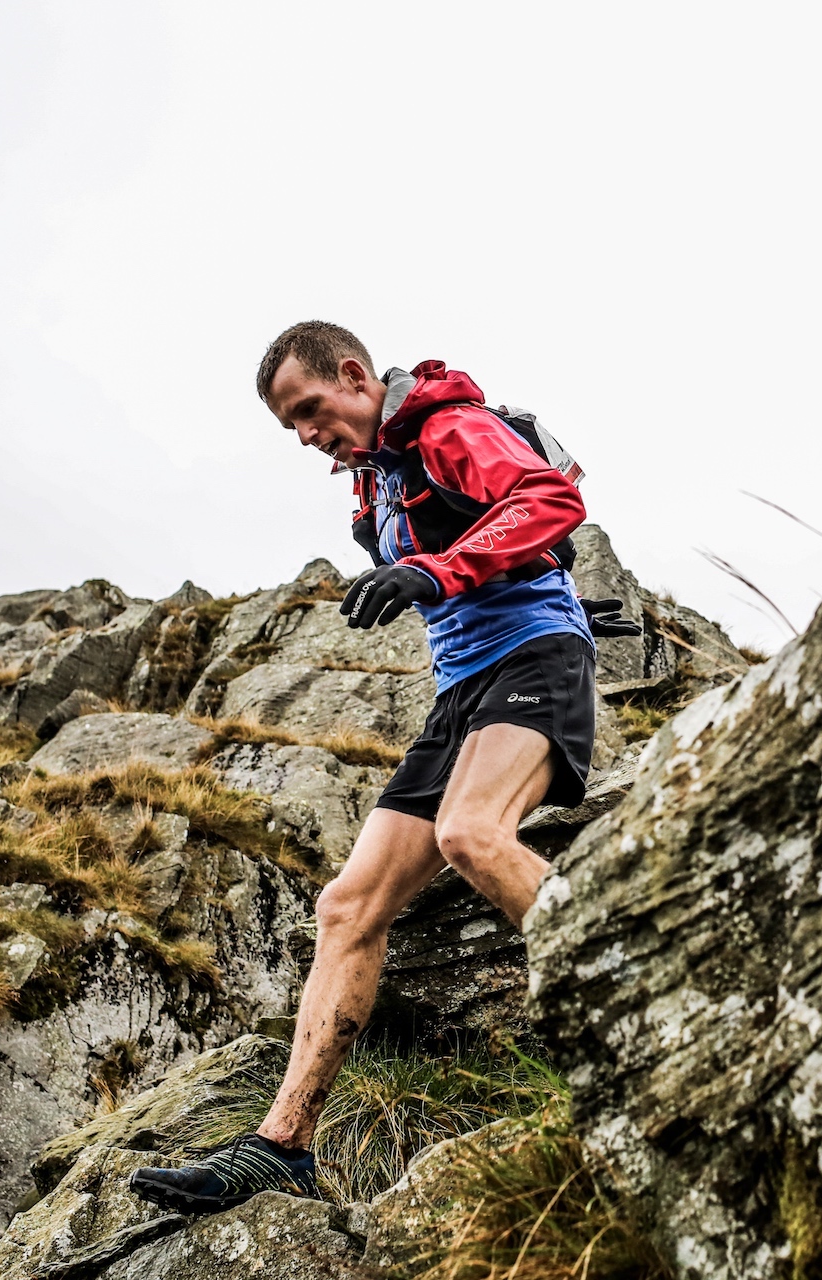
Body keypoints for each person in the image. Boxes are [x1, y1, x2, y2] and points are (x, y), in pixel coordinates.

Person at [128, 321, 637, 1213]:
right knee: (347, 906)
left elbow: (548, 500)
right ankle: (281, 1146)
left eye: (309, 409)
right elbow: (498, 540)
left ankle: (639, 993)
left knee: (473, 833)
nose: (305, 435)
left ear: (355, 375)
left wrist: (448, 574)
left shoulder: (447, 427)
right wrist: (489, 574)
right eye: (290, 425)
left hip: (534, 662)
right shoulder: (376, 480)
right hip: (464, 688)